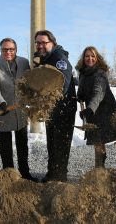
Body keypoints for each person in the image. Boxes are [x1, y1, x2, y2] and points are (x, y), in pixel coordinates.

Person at [0, 38, 37, 181]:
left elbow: (29, 82)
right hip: (4, 109)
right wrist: (0, 102)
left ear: (16, 50)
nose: (8, 52)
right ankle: (8, 173)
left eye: (11, 49)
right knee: (6, 144)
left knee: (22, 144)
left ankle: (25, 173)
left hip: (20, 109)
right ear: (1, 50)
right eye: (5, 49)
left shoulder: (24, 62)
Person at [34, 30, 77, 182]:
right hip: (51, 110)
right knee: (51, 145)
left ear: (52, 43)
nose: (40, 46)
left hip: (63, 109)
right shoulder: (45, 58)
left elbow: (62, 84)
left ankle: (59, 180)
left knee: (60, 147)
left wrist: (45, 96)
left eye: (43, 43)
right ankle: (52, 174)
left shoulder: (59, 59)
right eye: (38, 43)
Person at [76, 46, 116, 168]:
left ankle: (99, 169)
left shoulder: (100, 73)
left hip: (104, 109)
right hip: (92, 109)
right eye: (87, 56)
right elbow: (82, 89)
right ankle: (99, 167)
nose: (90, 58)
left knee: (99, 139)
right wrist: (79, 96)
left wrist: (89, 109)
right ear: (83, 58)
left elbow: (98, 93)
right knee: (96, 140)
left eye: (92, 56)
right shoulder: (83, 73)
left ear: (97, 58)